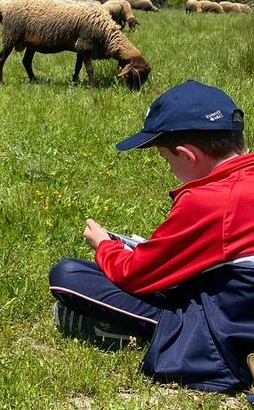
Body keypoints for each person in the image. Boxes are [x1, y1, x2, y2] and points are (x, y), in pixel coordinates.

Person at [49, 80, 254, 393]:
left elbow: (134, 275)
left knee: (67, 276)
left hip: (232, 321)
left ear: (188, 155)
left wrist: (104, 245)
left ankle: (141, 331)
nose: (169, 167)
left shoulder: (210, 200)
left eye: (166, 158)